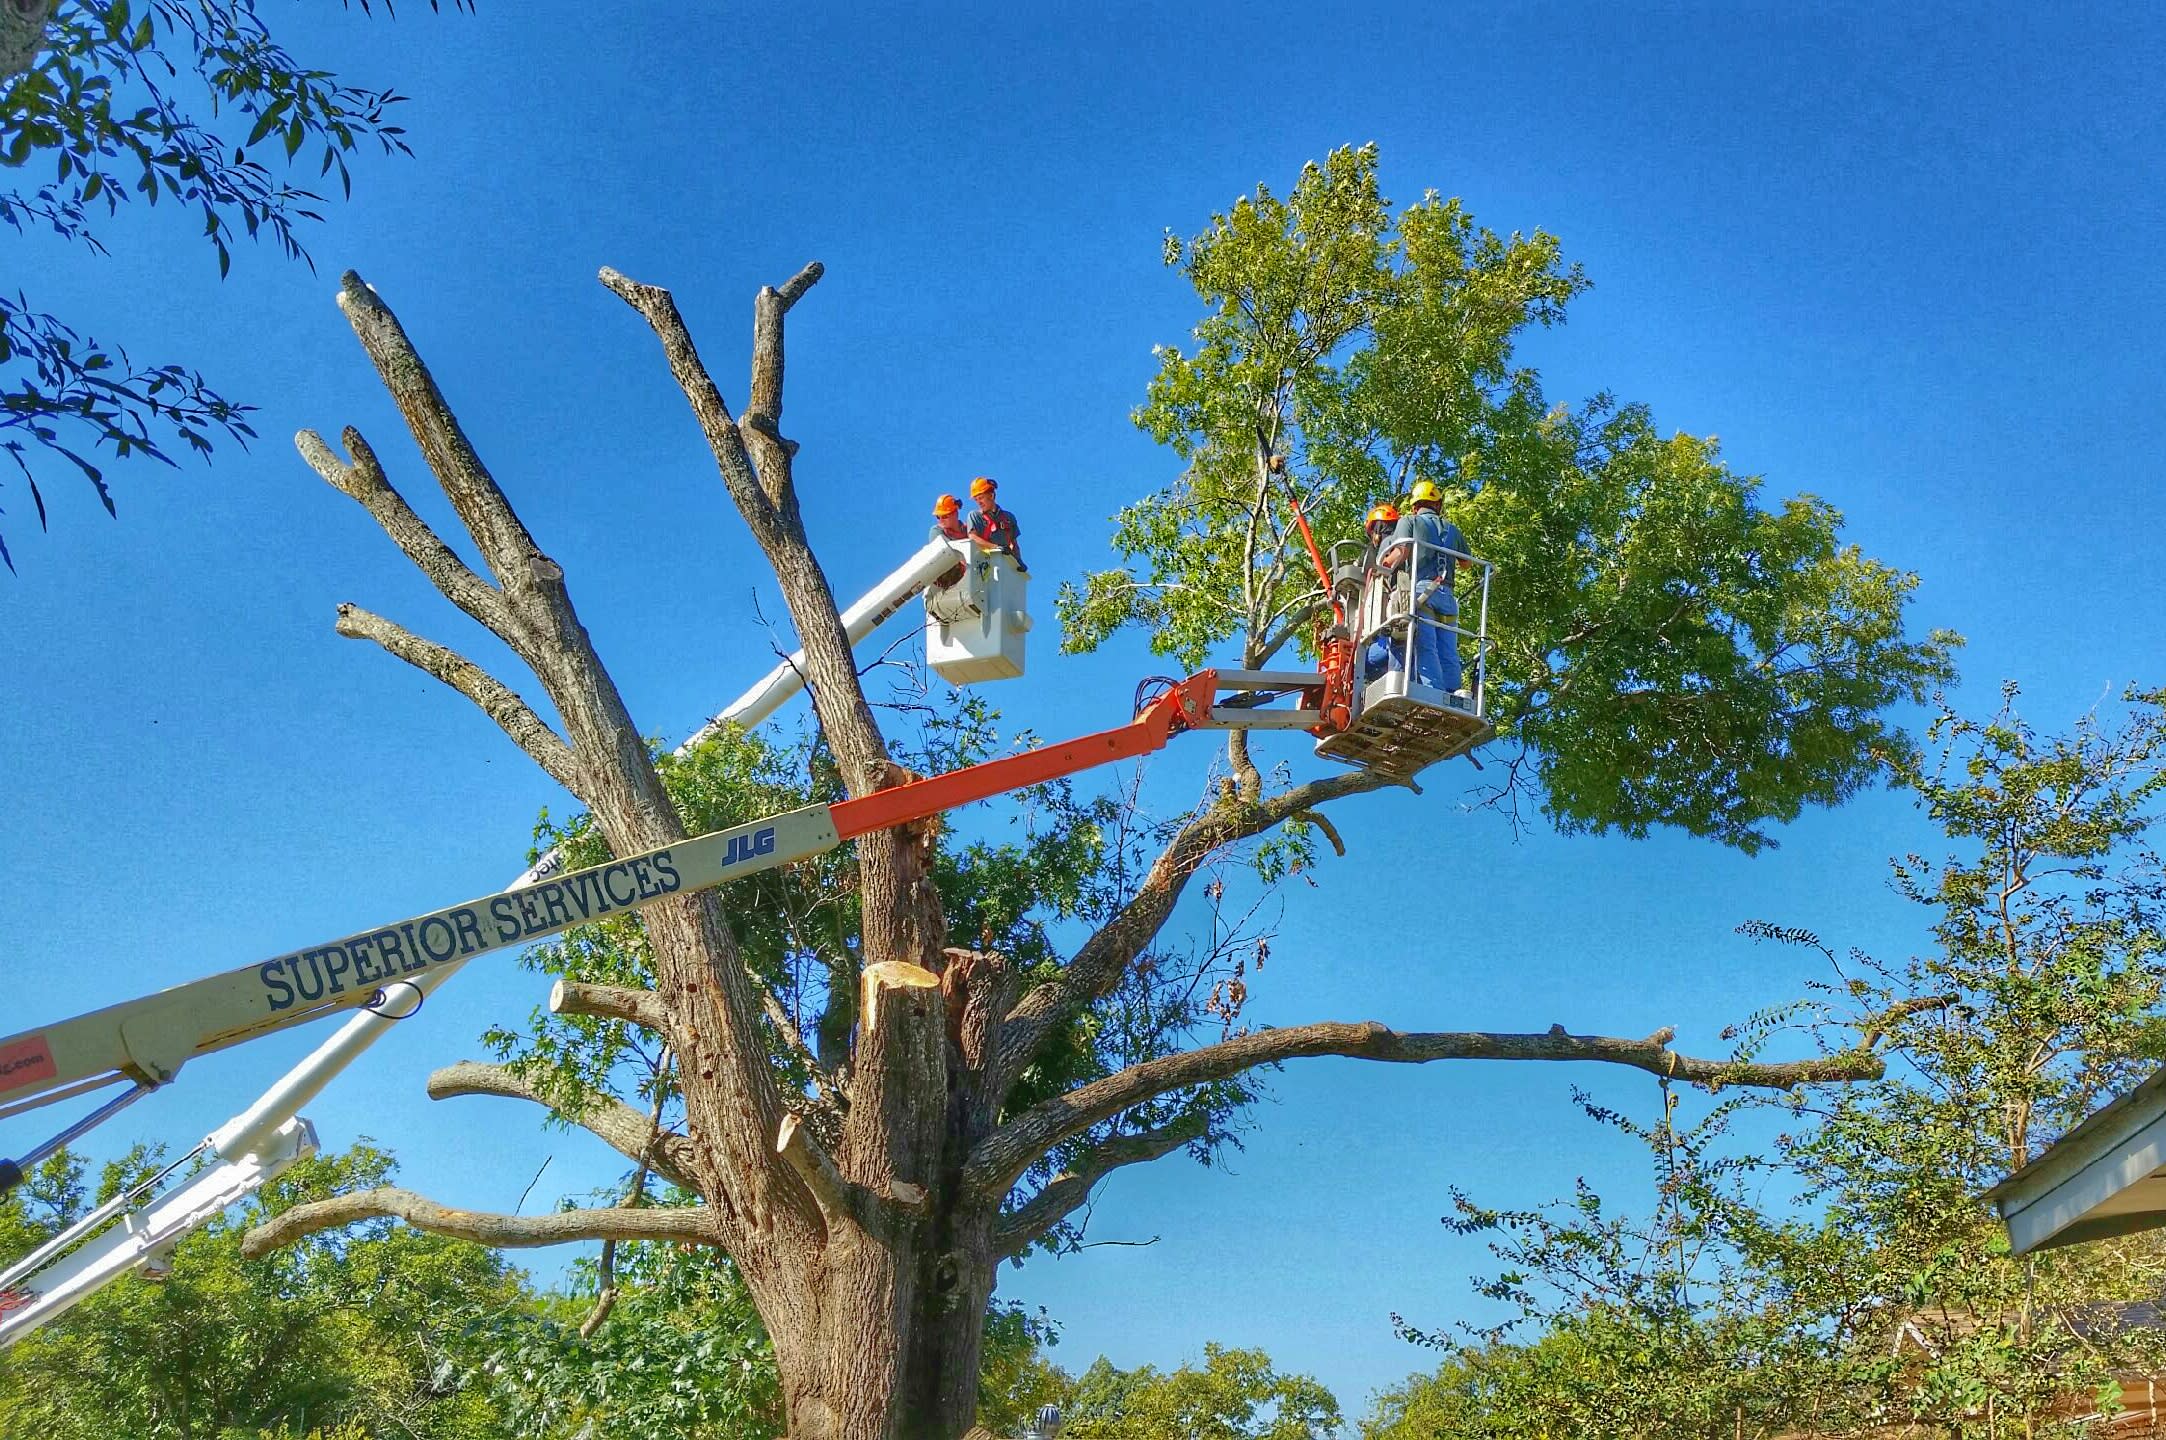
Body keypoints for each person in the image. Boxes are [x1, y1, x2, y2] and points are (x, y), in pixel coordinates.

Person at [1380, 479, 1467, 697]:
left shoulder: (1410, 521)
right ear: (1438, 505)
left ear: (1414, 506)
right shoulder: (1453, 529)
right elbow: (1466, 564)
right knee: (1448, 650)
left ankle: (1434, 693)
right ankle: (1453, 692)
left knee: (1426, 646)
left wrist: (1382, 566)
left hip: (1422, 592)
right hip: (1448, 596)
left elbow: (1401, 552)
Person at [1358, 502, 1404, 681]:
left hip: (1394, 618)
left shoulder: (1387, 544)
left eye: (1372, 532)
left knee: (1362, 662)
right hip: (1406, 614)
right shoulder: (1404, 542)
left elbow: (1381, 578)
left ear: (1377, 528)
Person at [966, 476, 1026, 572]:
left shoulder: (1008, 518)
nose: (979, 502)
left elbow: (1014, 544)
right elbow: (973, 538)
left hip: (1004, 566)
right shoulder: (975, 516)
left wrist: (1019, 560)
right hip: (983, 566)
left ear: (991, 495)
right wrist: (996, 548)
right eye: (976, 499)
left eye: (981, 498)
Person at [928, 493, 971, 588]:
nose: (941, 520)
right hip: (949, 580)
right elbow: (942, 555)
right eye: (938, 517)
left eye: (944, 516)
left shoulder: (969, 531)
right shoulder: (937, 531)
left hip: (970, 578)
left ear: (955, 513)